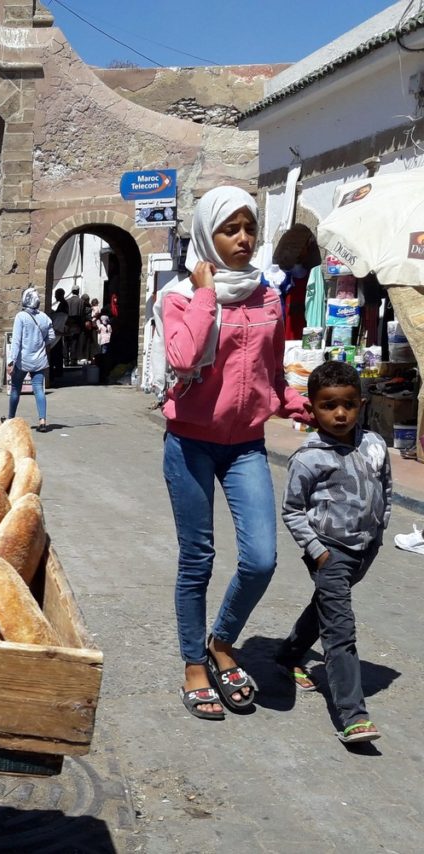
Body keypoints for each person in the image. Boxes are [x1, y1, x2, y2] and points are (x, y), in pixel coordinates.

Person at [155, 186, 311, 721]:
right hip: (190, 443)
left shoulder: (268, 296)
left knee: (261, 558)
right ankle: (194, 664)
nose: (243, 239)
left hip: (246, 445)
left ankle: (223, 643)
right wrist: (205, 293)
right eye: (230, 229)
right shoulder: (177, 295)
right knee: (197, 559)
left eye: (249, 228)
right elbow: (181, 356)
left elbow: (269, 369)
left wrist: (293, 403)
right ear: (207, 237)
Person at [277, 360, 390, 744]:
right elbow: (292, 510)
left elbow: (385, 488)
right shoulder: (308, 457)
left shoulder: (374, 445)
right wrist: (317, 551)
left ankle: (288, 655)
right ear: (312, 407)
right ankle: (353, 715)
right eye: (328, 405)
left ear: (361, 402)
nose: (339, 414)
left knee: (326, 607)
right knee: (340, 630)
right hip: (329, 551)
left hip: (364, 549)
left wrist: (379, 530)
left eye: (348, 404)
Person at [7, 287, 54, 432]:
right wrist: (41, 343)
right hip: (39, 359)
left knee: (15, 388)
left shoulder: (21, 317)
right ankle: (42, 421)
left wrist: (11, 361)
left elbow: (16, 341)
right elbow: (51, 336)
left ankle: (10, 419)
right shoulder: (45, 317)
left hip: (23, 360)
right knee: (39, 389)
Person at [64, 286, 84, 365]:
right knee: (74, 343)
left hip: (67, 325)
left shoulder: (67, 301)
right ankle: (73, 360)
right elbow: (82, 314)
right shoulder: (81, 301)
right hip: (76, 325)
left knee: (66, 343)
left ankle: (65, 361)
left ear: (72, 291)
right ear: (78, 291)